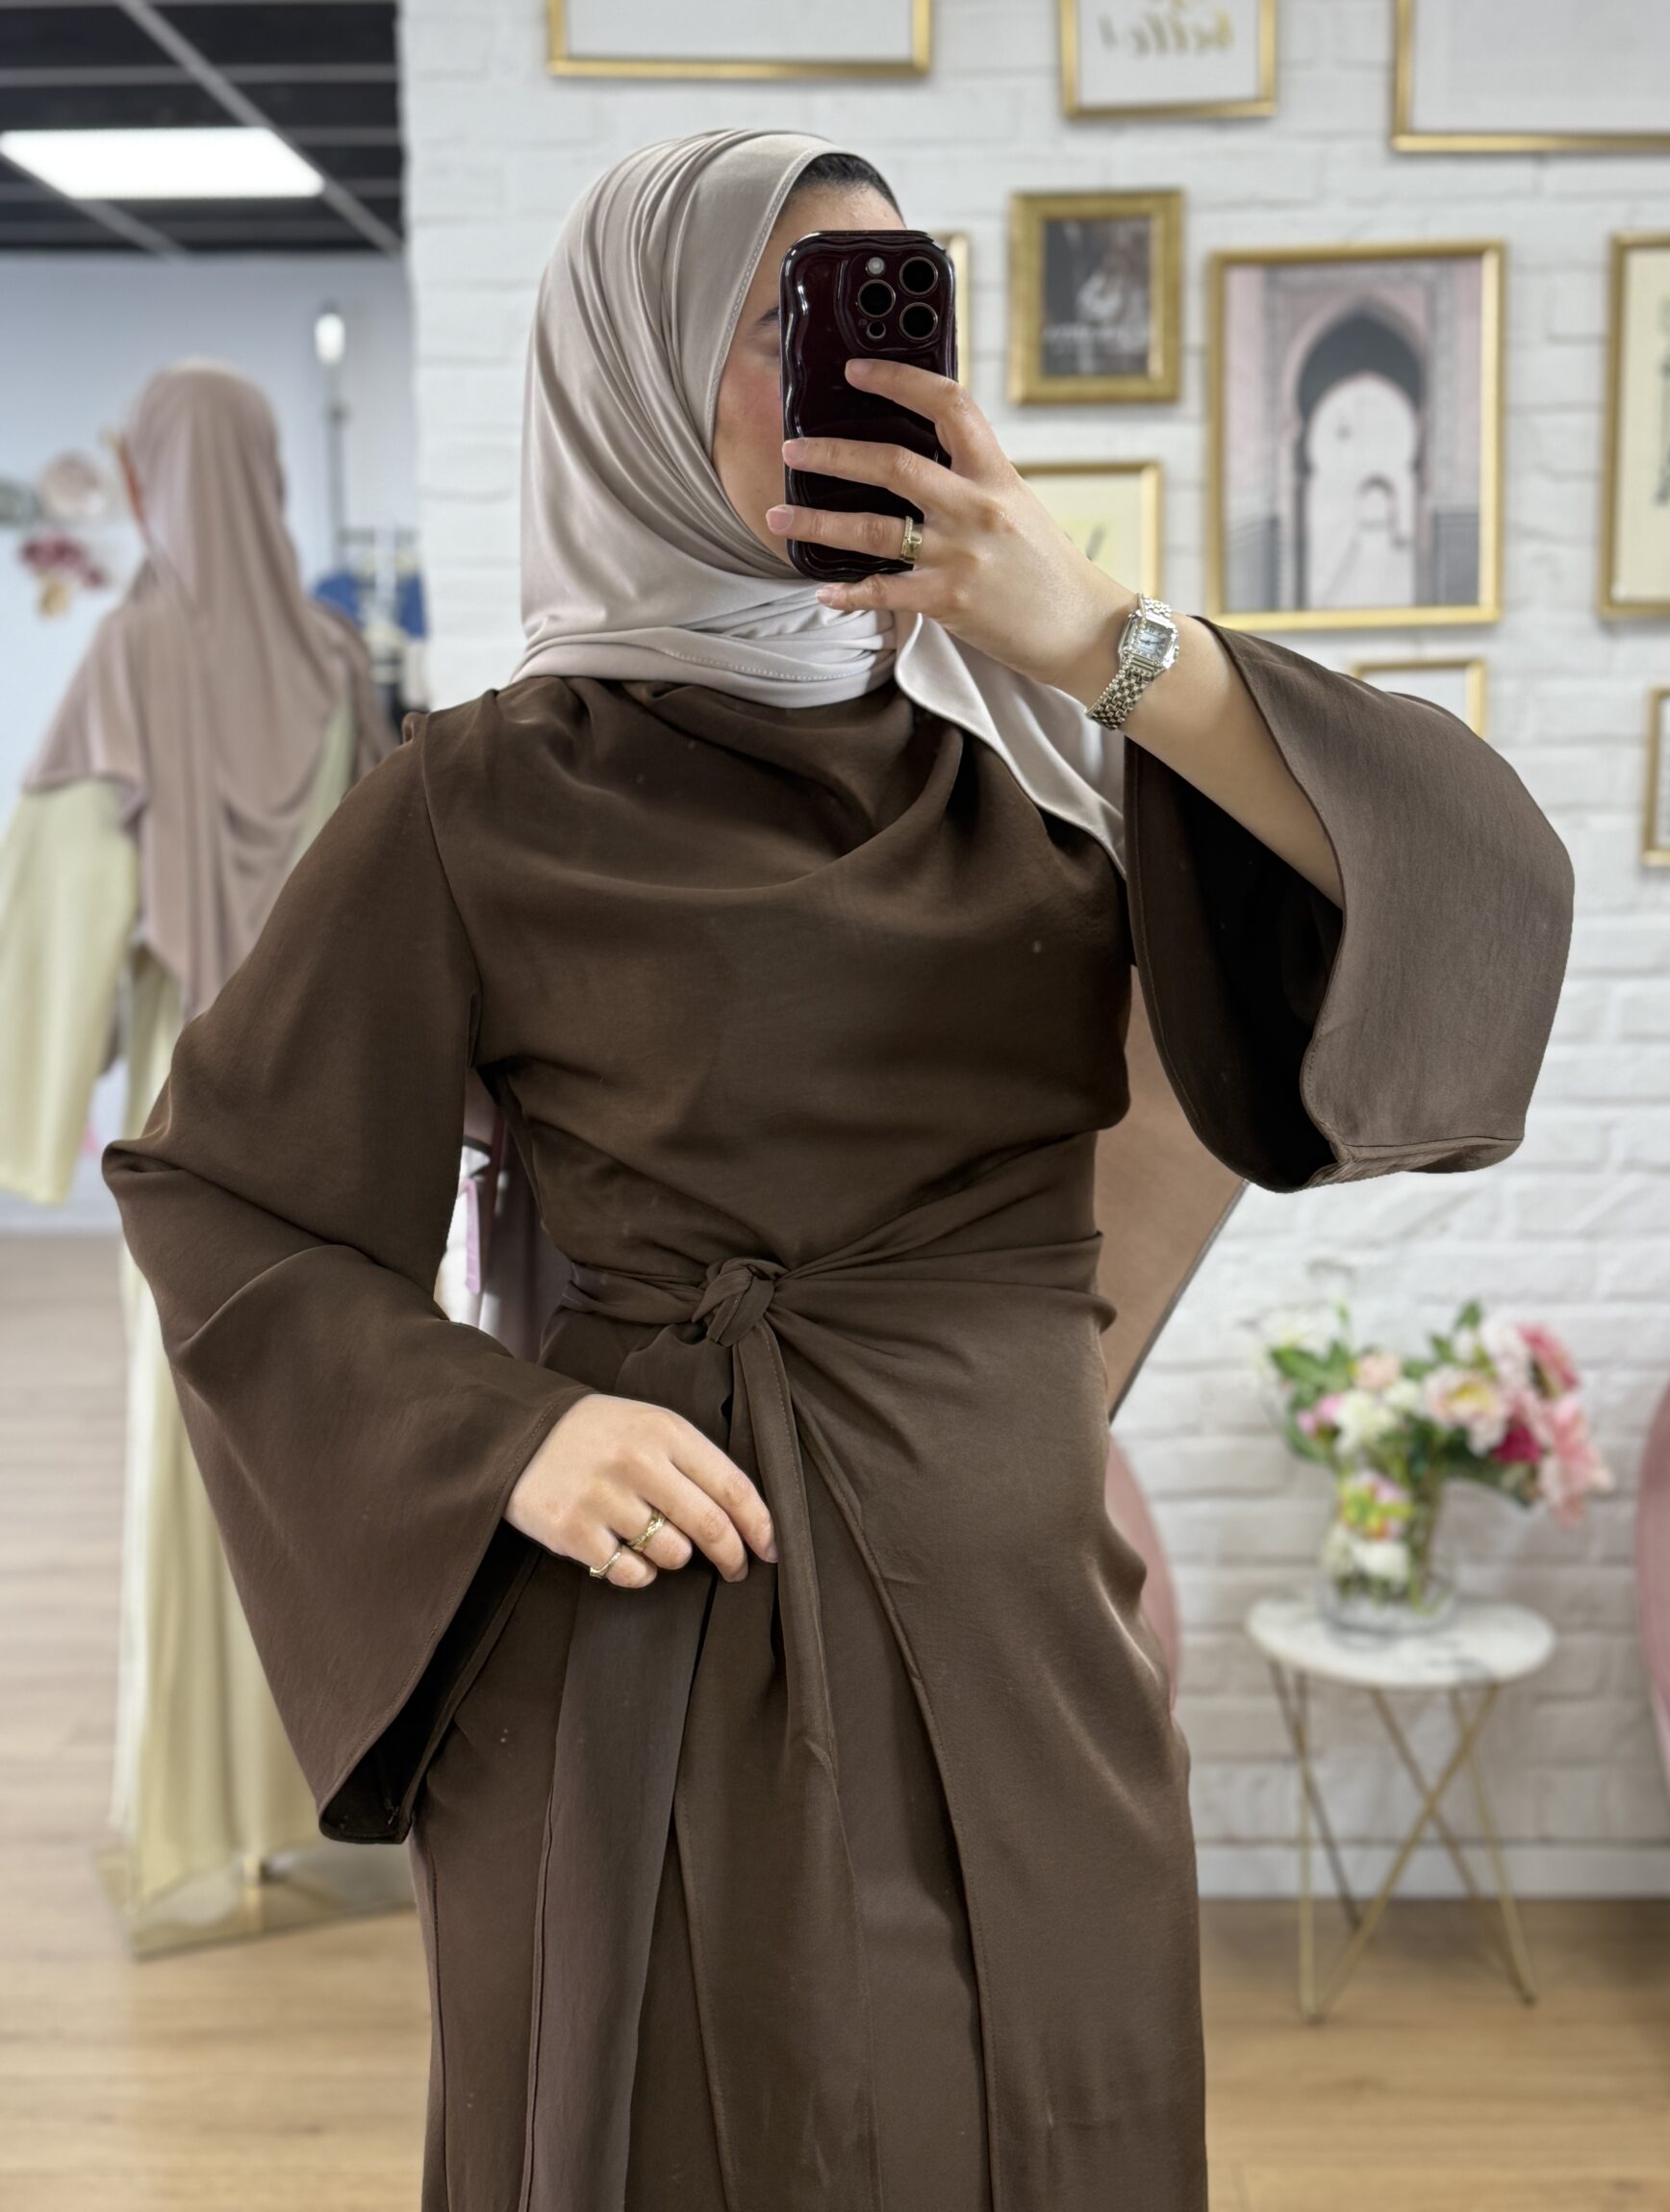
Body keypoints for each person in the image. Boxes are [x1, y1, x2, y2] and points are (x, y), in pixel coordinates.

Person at [103, 131, 1574, 2208]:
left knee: (1053, 2130)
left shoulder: (1049, 751)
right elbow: (219, 1198)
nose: (858, 379)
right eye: (785, 321)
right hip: (664, 1656)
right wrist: (503, 1438)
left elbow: (1481, 889)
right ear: (629, 378)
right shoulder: (480, 797)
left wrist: (1090, 625)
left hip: (1034, 1648)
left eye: (897, 311)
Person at [0, 359, 395, 1949]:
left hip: (194, 1128)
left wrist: (36, 1109)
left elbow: (66, 903)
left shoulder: (131, 655)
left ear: (155, 481)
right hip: (341, 1125)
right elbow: (388, 904)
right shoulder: (337, 660)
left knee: (192, 1467)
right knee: (339, 1459)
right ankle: (333, 1807)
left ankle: (195, 1828)